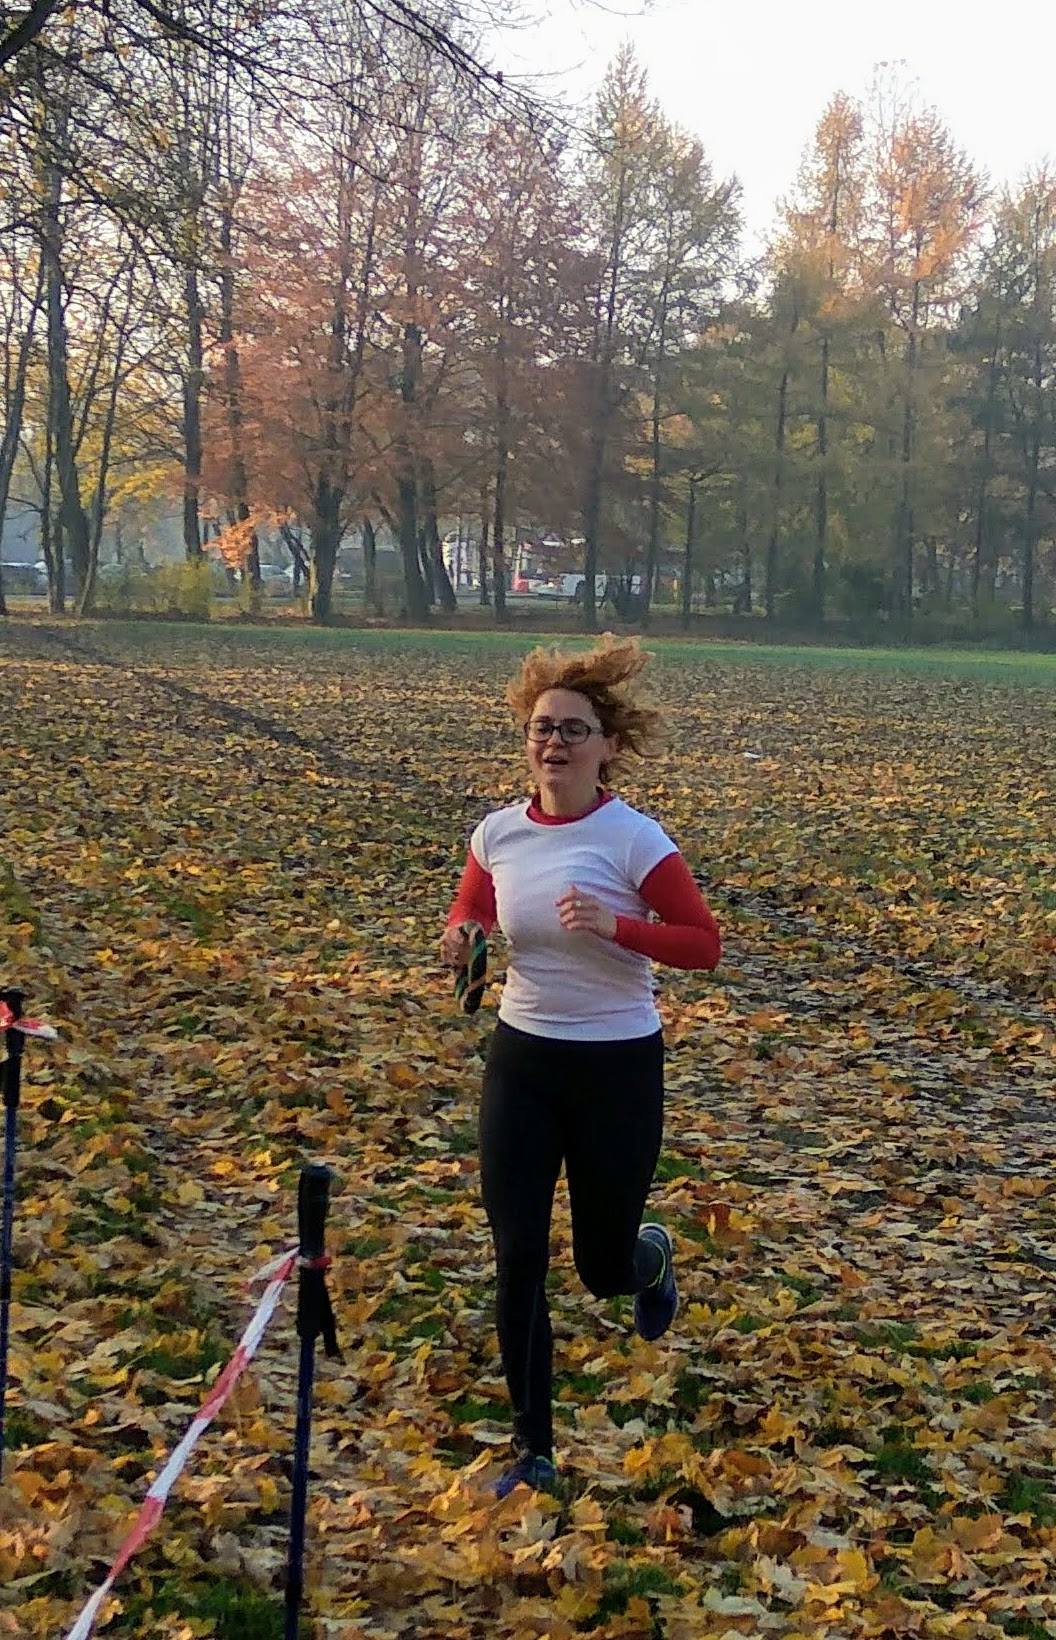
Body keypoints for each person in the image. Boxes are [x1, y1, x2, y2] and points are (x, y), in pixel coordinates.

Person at [439, 636, 721, 1500]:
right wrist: (460, 939)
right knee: (519, 1254)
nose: (553, 742)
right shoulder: (498, 833)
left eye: (572, 730)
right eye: (541, 728)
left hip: (616, 1067)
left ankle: (646, 1259)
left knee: (599, 1267)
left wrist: (616, 927)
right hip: (523, 1060)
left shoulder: (634, 840)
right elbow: (471, 909)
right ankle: (534, 1450)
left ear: (608, 746)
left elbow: (702, 944)